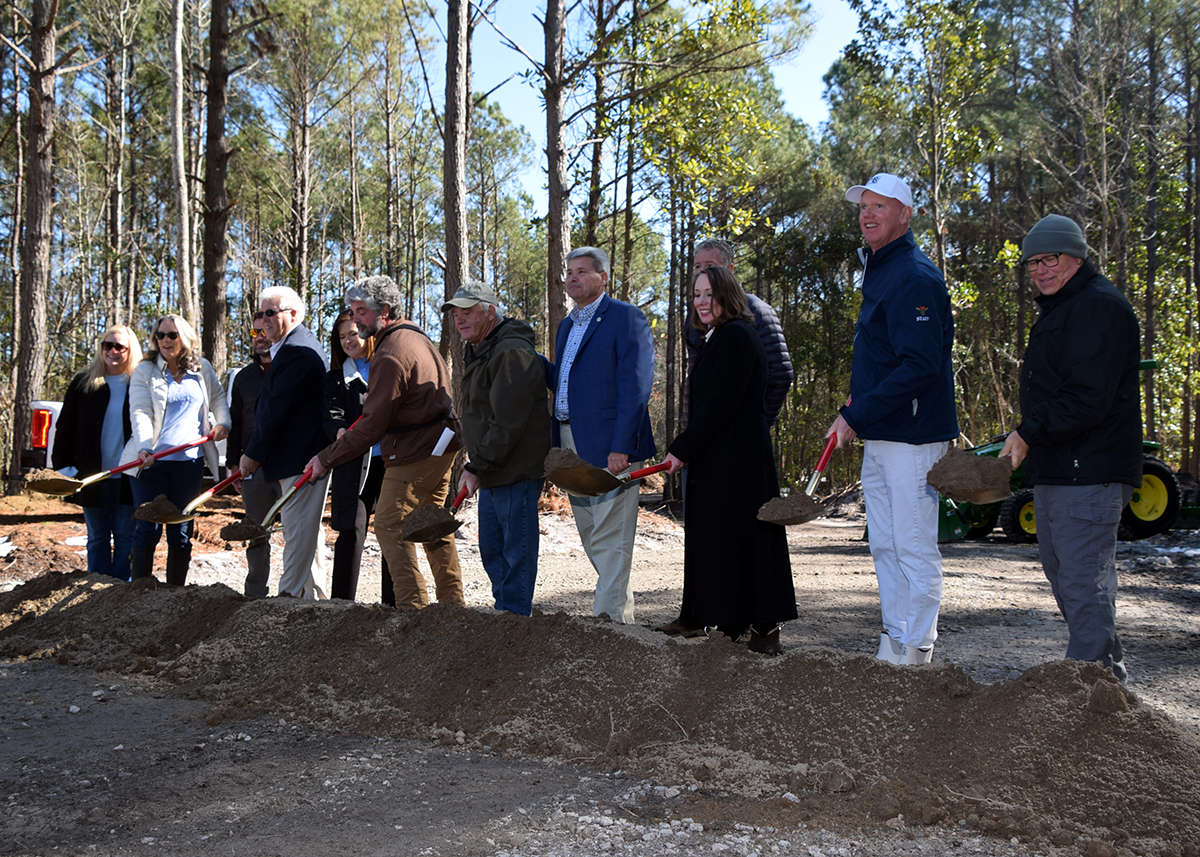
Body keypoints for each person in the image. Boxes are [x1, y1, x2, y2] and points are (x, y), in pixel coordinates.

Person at [999, 214, 1141, 682]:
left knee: (1083, 583)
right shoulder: (1063, 308)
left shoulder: (1099, 308)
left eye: (1050, 259)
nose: (1040, 269)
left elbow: (1087, 397)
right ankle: (1105, 679)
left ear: (1077, 256)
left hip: (1091, 469)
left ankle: (1087, 685)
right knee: (1067, 579)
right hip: (1060, 468)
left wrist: (1027, 432)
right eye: (1033, 262)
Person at [826, 172, 958, 665]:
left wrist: (854, 413)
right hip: (882, 434)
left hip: (913, 437)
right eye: (864, 206)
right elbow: (886, 359)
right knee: (884, 545)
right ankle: (894, 640)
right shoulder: (881, 269)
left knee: (913, 546)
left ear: (905, 215)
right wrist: (860, 411)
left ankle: (918, 650)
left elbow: (920, 366)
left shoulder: (915, 276)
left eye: (881, 206)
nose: (868, 214)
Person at [658, 237, 795, 636]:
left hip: (738, 460)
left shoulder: (737, 335)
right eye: (696, 294)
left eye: (710, 294)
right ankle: (732, 623)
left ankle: (763, 630)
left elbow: (720, 405)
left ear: (729, 294)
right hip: (722, 456)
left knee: (746, 539)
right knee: (725, 539)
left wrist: (681, 448)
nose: (701, 302)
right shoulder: (718, 335)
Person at [306, 275, 466, 610]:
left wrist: (326, 458)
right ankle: (452, 607)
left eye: (361, 311)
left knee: (391, 525)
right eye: (352, 310)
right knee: (431, 523)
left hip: (416, 450)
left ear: (385, 311)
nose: (355, 318)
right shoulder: (415, 336)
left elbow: (371, 427)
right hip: (441, 445)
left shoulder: (391, 352)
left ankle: (412, 608)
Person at [548, 246, 656, 624]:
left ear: (604, 278)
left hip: (610, 444)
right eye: (569, 272)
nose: (572, 278)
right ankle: (618, 616)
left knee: (611, 533)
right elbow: (569, 381)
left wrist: (622, 447)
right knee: (592, 534)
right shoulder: (566, 325)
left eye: (582, 271)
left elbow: (636, 387)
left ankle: (608, 621)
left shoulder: (625, 318)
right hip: (570, 444)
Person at [444, 283, 551, 616]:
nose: (459, 321)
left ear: (489, 311)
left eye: (467, 313)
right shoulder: (483, 349)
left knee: (515, 551)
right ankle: (505, 614)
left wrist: (476, 466)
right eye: (456, 315)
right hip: (493, 469)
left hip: (514, 470)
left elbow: (509, 420)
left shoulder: (511, 352)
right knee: (492, 549)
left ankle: (515, 621)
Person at [239, 286, 331, 599]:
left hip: (301, 458)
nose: (263, 320)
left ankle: (288, 598)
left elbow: (277, 409)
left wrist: (252, 454)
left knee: (297, 532)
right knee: (306, 532)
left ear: (292, 314)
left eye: (270, 313)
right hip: (295, 458)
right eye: (260, 313)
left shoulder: (298, 351)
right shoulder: (290, 347)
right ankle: (312, 598)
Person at [125, 315, 231, 584]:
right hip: (151, 463)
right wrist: (145, 447)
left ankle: (175, 594)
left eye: (171, 335)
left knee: (181, 530)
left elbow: (217, 398)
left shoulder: (201, 368)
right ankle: (138, 590)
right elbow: (140, 411)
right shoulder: (145, 370)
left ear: (184, 338)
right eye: (160, 335)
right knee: (147, 528)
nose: (165, 341)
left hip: (188, 463)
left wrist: (223, 423)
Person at [53, 325, 143, 581]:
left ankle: (120, 591)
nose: (112, 351)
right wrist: (65, 467)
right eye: (107, 345)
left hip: (128, 477)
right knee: (97, 537)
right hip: (92, 477)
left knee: (126, 536)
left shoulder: (138, 383)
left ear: (129, 350)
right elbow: (65, 427)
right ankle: (97, 591)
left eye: (119, 347)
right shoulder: (84, 383)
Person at [323, 309, 390, 603]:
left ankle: (393, 605)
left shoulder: (387, 366)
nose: (348, 340)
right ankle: (341, 604)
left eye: (353, 333)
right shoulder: (336, 379)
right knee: (351, 531)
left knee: (390, 531)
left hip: (389, 460)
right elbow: (331, 415)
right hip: (354, 464)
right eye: (342, 337)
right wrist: (339, 430)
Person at [226, 312, 282, 598]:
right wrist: (233, 463)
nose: (260, 338)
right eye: (254, 332)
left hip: (289, 464)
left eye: (265, 331)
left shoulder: (289, 370)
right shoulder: (243, 378)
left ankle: (299, 592)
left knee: (300, 531)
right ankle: (254, 595)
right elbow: (236, 420)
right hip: (252, 468)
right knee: (257, 533)